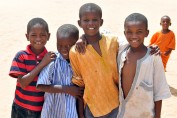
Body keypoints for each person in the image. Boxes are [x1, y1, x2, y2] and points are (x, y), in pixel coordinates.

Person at [69, 3, 120, 118]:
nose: (91, 23)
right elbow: (79, 84)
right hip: (92, 107)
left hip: (116, 102)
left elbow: (132, 46)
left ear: (101, 22)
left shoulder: (113, 42)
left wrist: (152, 48)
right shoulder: (76, 52)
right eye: (86, 20)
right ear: (79, 23)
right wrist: (81, 113)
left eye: (94, 20)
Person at [117, 13, 171, 118]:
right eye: (129, 32)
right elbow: (99, 34)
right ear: (124, 33)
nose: (134, 36)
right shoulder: (121, 50)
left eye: (139, 32)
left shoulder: (153, 57)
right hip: (123, 113)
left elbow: (159, 92)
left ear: (146, 33)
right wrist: (82, 38)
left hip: (145, 114)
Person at [9, 18, 56, 118]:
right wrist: (42, 64)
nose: (38, 39)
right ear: (27, 36)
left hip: (42, 109)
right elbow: (23, 83)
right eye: (33, 35)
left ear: (48, 36)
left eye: (42, 35)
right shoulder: (21, 56)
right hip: (20, 108)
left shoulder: (51, 58)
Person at [36, 24, 84, 118]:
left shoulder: (81, 62)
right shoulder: (53, 62)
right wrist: (66, 89)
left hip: (72, 112)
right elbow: (40, 86)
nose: (63, 49)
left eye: (69, 46)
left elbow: (81, 91)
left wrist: (81, 115)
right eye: (59, 45)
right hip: (53, 111)